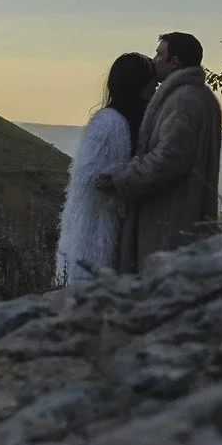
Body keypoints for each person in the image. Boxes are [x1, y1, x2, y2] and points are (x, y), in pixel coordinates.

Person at [97, 32, 222, 273]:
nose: (154, 60)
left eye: (159, 54)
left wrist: (122, 178)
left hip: (168, 221)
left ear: (174, 62)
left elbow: (169, 159)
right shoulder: (199, 97)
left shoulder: (183, 100)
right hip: (179, 215)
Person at [53, 52, 154, 284]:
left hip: (99, 228)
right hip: (95, 232)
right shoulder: (111, 124)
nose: (154, 88)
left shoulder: (118, 121)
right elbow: (93, 177)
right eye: (150, 82)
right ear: (136, 84)